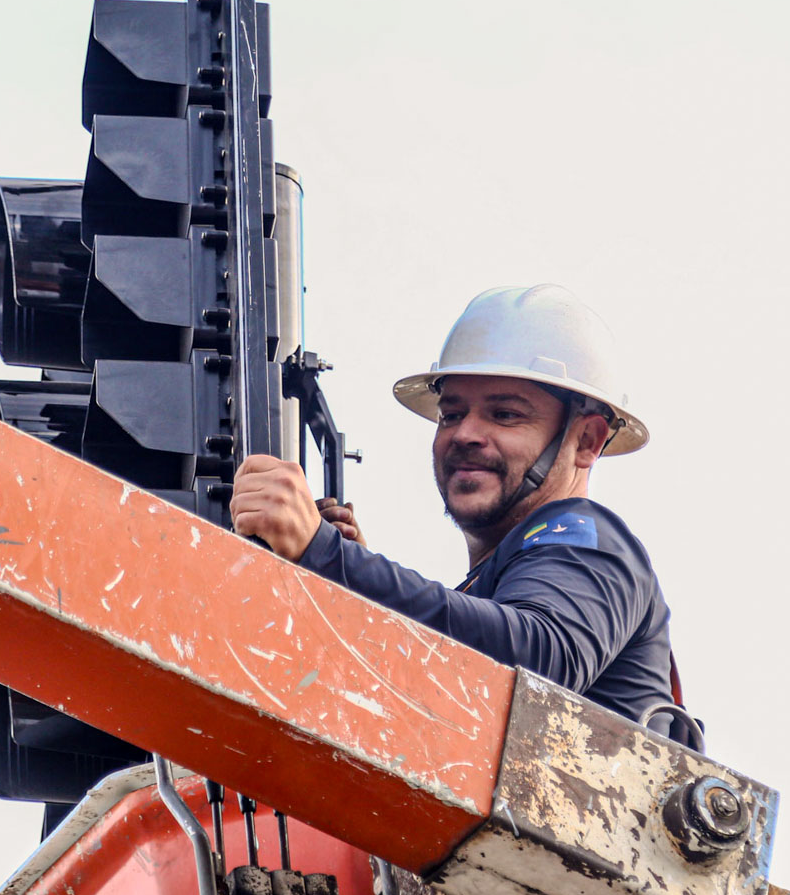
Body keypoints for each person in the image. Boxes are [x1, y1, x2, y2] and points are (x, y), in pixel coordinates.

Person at [229, 284, 690, 739]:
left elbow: (534, 663)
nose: (465, 433)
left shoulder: (589, 538)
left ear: (586, 440)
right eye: (451, 415)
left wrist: (328, 554)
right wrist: (352, 594)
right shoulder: (494, 588)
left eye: (505, 414)